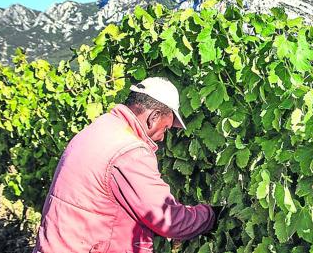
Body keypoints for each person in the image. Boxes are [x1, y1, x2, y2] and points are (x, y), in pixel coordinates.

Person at [33, 77, 216, 253]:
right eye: (165, 128)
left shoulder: (99, 128)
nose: (162, 137)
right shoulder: (129, 151)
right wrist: (210, 216)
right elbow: (167, 219)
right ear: (154, 116)